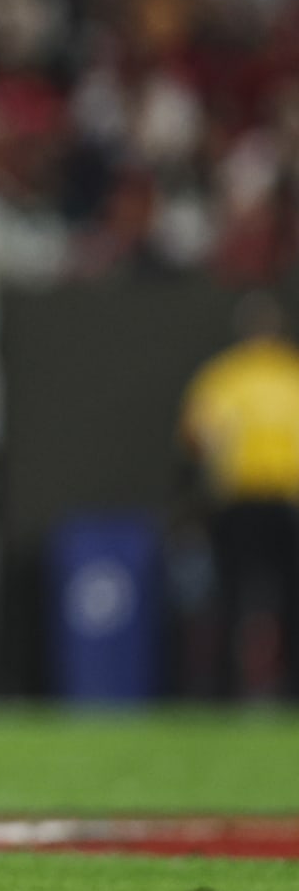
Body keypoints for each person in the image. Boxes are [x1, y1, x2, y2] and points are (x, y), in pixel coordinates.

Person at [178, 290, 299, 699]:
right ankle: (227, 692)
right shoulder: (228, 376)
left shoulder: (280, 374)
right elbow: (196, 435)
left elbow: (196, 435)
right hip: (241, 500)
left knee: (284, 599)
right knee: (232, 598)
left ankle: (283, 691)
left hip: (284, 498)